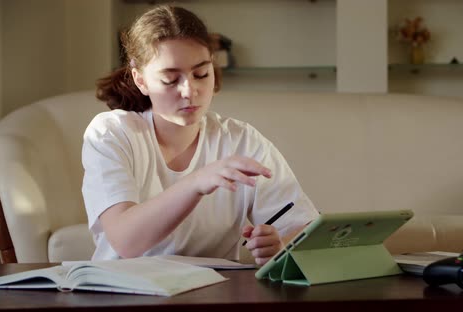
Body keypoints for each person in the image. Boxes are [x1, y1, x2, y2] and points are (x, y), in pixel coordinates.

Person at [82, 5, 319, 265]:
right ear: (141, 81)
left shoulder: (241, 140)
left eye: (201, 74)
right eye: (171, 80)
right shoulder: (112, 133)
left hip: (213, 294)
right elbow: (125, 241)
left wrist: (279, 244)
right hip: (123, 294)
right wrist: (196, 183)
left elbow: (306, 230)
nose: (189, 90)